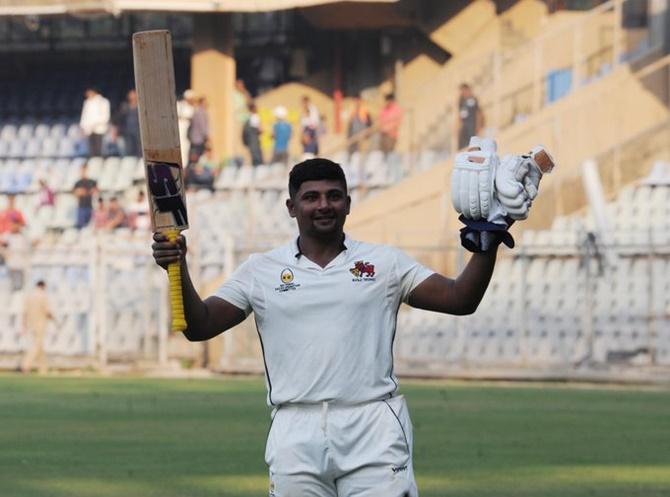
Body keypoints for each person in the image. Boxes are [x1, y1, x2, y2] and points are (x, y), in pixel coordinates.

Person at [151, 154, 531, 497]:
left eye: (334, 196)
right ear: (291, 206)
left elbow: (459, 300)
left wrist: (486, 243)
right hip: (294, 429)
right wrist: (177, 265)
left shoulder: (383, 263)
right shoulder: (260, 270)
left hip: (373, 426)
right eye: (311, 197)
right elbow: (199, 326)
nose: (323, 205)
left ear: (348, 204)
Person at [20, 280, 56, 374]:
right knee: (37, 346)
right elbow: (48, 312)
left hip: (31, 325)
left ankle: (44, 369)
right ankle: (26, 365)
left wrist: (24, 326)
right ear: (43, 286)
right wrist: (55, 320)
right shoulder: (43, 296)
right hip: (41, 324)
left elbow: (25, 312)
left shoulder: (30, 296)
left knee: (40, 347)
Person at [79, 87, 111, 157]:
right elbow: (84, 116)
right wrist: (83, 127)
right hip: (89, 130)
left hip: (100, 129)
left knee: (100, 150)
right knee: (92, 151)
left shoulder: (103, 101)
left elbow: (105, 117)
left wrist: (94, 124)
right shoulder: (87, 102)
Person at [113, 89, 141, 157]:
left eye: (134, 94)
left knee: (139, 148)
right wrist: (116, 129)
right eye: (131, 94)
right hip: (127, 131)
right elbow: (118, 118)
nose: (132, 96)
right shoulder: (125, 106)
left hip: (139, 130)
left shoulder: (141, 106)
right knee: (129, 149)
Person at [457, 83, 485, 150]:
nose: (463, 93)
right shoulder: (461, 101)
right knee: (462, 146)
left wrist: (479, 125)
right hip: (464, 126)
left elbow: (478, 113)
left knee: (473, 144)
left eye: (464, 90)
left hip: (472, 125)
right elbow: (460, 115)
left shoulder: (472, 99)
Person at [73, 164, 98, 229]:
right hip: (81, 206)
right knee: (80, 225)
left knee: (89, 226)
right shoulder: (78, 182)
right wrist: (85, 192)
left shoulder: (91, 181)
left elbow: (95, 191)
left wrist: (85, 192)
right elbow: (76, 193)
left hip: (90, 206)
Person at [188, 95, 210, 166]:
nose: (206, 104)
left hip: (195, 139)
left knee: (195, 158)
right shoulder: (200, 112)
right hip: (198, 140)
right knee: (195, 158)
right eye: (205, 102)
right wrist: (207, 138)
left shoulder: (197, 111)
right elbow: (202, 127)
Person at [177, 89, 197, 166]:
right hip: (181, 132)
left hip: (186, 133)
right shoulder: (180, 105)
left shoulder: (191, 107)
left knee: (185, 148)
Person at [242, 102, 263, 166]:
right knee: (257, 158)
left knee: (254, 158)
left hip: (250, 142)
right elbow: (259, 130)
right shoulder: (255, 117)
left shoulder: (248, 117)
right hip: (254, 141)